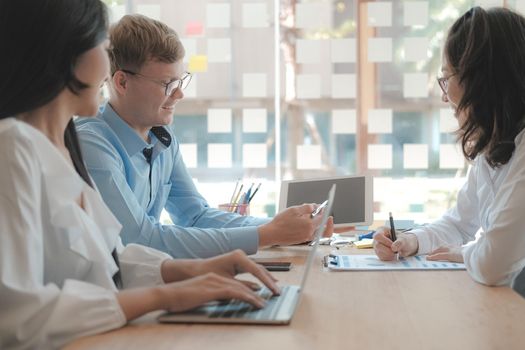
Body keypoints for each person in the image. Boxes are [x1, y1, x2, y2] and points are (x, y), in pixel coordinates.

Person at [0, 1, 280, 348]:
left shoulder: (59, 143)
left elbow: (110, 259)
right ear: (65, 55)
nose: (107, 66)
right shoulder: (12, 148)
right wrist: (164, 297)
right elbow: (16, 317)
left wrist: (184, 271)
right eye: (103, 48)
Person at [75, 14, 333, 259]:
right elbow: (141, 240)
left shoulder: (161, 138)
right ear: (121, 83)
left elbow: (195, 216)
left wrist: (284, 228)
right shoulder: (92, 144)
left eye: (180, 82)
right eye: (167, 84)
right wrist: (267, 234)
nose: (178, 95)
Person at [373, 6, 525, 296]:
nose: (444, 96)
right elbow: (460, 222)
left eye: (447, 78)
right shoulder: (495, 146)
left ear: (479, 80)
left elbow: (492, 264)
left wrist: (463, 252)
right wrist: (412, 241)